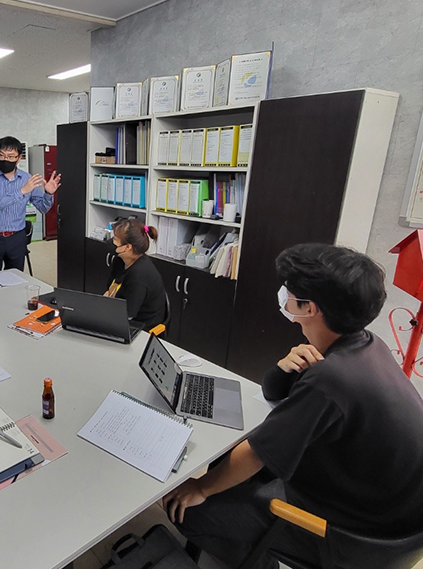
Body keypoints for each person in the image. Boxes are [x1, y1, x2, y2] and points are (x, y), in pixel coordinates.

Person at [163, 243, 423, 569]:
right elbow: (275, 393)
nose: (283, 294)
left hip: (360, 535)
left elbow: (258, 452)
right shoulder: (364, 345)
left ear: (309, 308)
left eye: (289, 289)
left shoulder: (331, 379)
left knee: (188, 510)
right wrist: (284, 368)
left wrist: (201, 487)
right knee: (224, 465)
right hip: (380, 504)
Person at [0, 136, 61, 273]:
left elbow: (43, 208)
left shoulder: (27, 178)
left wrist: (48, 193)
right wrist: (22, 191)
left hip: (16, 238)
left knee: (15, 278)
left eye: (10, 156)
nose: (5, 159)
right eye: (1, 155)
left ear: (19, 158)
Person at [104, 219, 166, 331]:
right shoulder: (120, 260)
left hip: (141, 327)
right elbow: (109, 291)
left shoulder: (139, 276)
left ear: (128, 247)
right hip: (118, 313)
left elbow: (128, 315)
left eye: (115, 239)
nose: (112, 241)